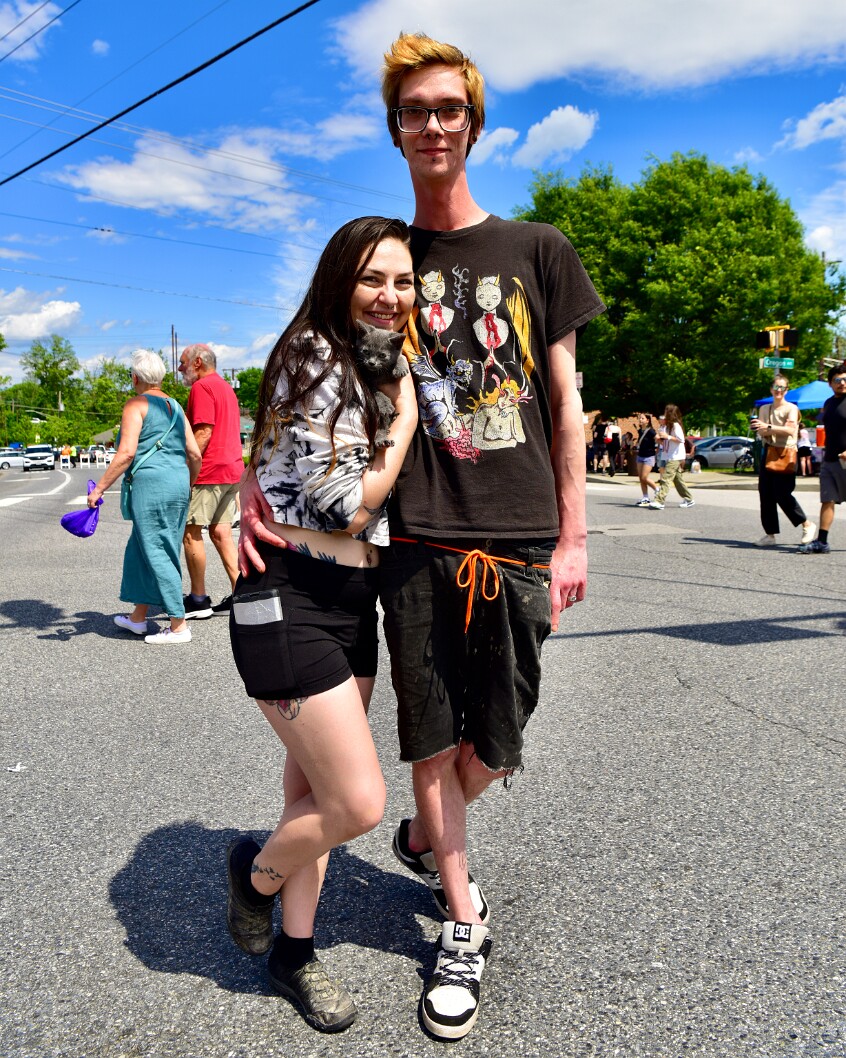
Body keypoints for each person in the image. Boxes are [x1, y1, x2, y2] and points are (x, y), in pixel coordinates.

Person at [238, 32, 604, 1041]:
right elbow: (306, 373)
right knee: (433, 742)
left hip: (521, 536)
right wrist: (252, 483)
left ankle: (420, 836)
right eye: (415, 111)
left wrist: (575, 536)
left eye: (450, 109)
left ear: (474, 125)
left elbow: (565, 402)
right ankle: (461, 915)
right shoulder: (388, 260)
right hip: (416, 540)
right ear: (395, 130)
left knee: (498, 742)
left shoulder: (538, 248)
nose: (433, 125)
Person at [225, 217, 418, 1033]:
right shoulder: (315, 350)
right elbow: (345, 506)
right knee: (358, 801)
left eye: (404, 282)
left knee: (310, 791)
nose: (390, 296)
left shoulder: (378, 361)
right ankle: (253, 878)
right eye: (373, 278)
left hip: (351, 599)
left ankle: (294, 953)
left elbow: (279, 455)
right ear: (339, 278)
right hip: (288, 596)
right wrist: (404, 418)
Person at [88, 350, 202, 644]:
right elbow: (194, 454)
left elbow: (126, 453)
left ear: (135, 377)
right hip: (178, 481)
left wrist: (99, 488)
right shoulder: (176, 407)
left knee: (157, 549)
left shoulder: (136, 405)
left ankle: (178, 626)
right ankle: (138, 618)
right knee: (142, 547)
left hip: (151, 485)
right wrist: (187, 483)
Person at [178, 343, 244, 618]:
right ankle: (242, 595)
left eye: (182, 363)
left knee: (190, 532)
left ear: (197, 363)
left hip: (209, 471)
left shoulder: (202, 387)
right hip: (232, 469)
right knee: (221, 533)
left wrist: (186, 468)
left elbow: (203, 431)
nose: (179, 368)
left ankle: (198, 599)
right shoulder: (226, 387)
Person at [750, 375, 815, 548]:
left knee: (782, 493)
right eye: (776, 387)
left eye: (782, 388)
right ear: (771, 389)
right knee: (765, 494)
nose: (778, 391)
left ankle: (806, 524)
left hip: (787, 453)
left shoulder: (791, 408)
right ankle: (770, 534)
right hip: (769, 451)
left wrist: (768, 427)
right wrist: (763, 428)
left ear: (786, 390)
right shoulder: (764, 408)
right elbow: (762, 432)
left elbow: (790, 430)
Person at [799, 362, 846, 554]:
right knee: (828, 499)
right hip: (830, 460)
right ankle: (822, 542)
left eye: (845, 380)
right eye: (837, 380)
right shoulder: (828, 403)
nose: (842, 383)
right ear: (830, 383)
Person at [649, 404, 695, 509]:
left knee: (666, 478)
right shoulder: (666, 427)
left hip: (676, 456)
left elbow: (681, 439)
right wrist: (659, 440)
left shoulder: (675, 425)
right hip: (669, 455)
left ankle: (659, 501)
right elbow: (666, 442)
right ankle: (689, 499)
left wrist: (668, 436)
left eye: (666, 412)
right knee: (677, 480)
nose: (664, 414)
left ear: (670, 413)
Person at [634, 412, 659, 506]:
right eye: (640, 418)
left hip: (649, 456)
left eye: (642, 418)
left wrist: (658, 448)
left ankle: (657, 490)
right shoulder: (640, 431)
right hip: (640, 455)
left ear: (647, 420)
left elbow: (657, 439)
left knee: (644, 477)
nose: (640, 420)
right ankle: (645, 497)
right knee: (641, 478)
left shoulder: (651, 431)